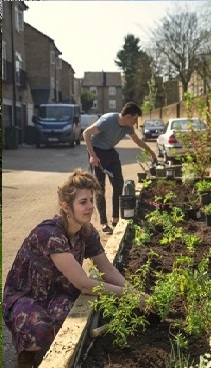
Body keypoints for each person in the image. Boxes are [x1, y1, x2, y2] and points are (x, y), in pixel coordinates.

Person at [2, 169, 149, 368]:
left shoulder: (86, 232)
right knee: (40, 330)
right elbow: (84, 284)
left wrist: (134, 292)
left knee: (73, 321)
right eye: (83, 202)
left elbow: (108, 270)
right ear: (65, 206)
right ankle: (26, 355)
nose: (90, 207)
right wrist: (127, 296)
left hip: (57, 292)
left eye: (91, 200)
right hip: (26, 294)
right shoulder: (50, 234)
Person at [82, 102, 157, 234]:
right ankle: (104, 223)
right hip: (97, 151)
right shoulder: (107, 121)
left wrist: (151, 152)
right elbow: (86, 133)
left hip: (110, 151)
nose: (135, 123)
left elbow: (137, 140)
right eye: (135, 119)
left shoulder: (128, 127)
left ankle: (116, 219)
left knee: (119, 183)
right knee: (100, 187)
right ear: (128, 116)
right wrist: (92, 155)